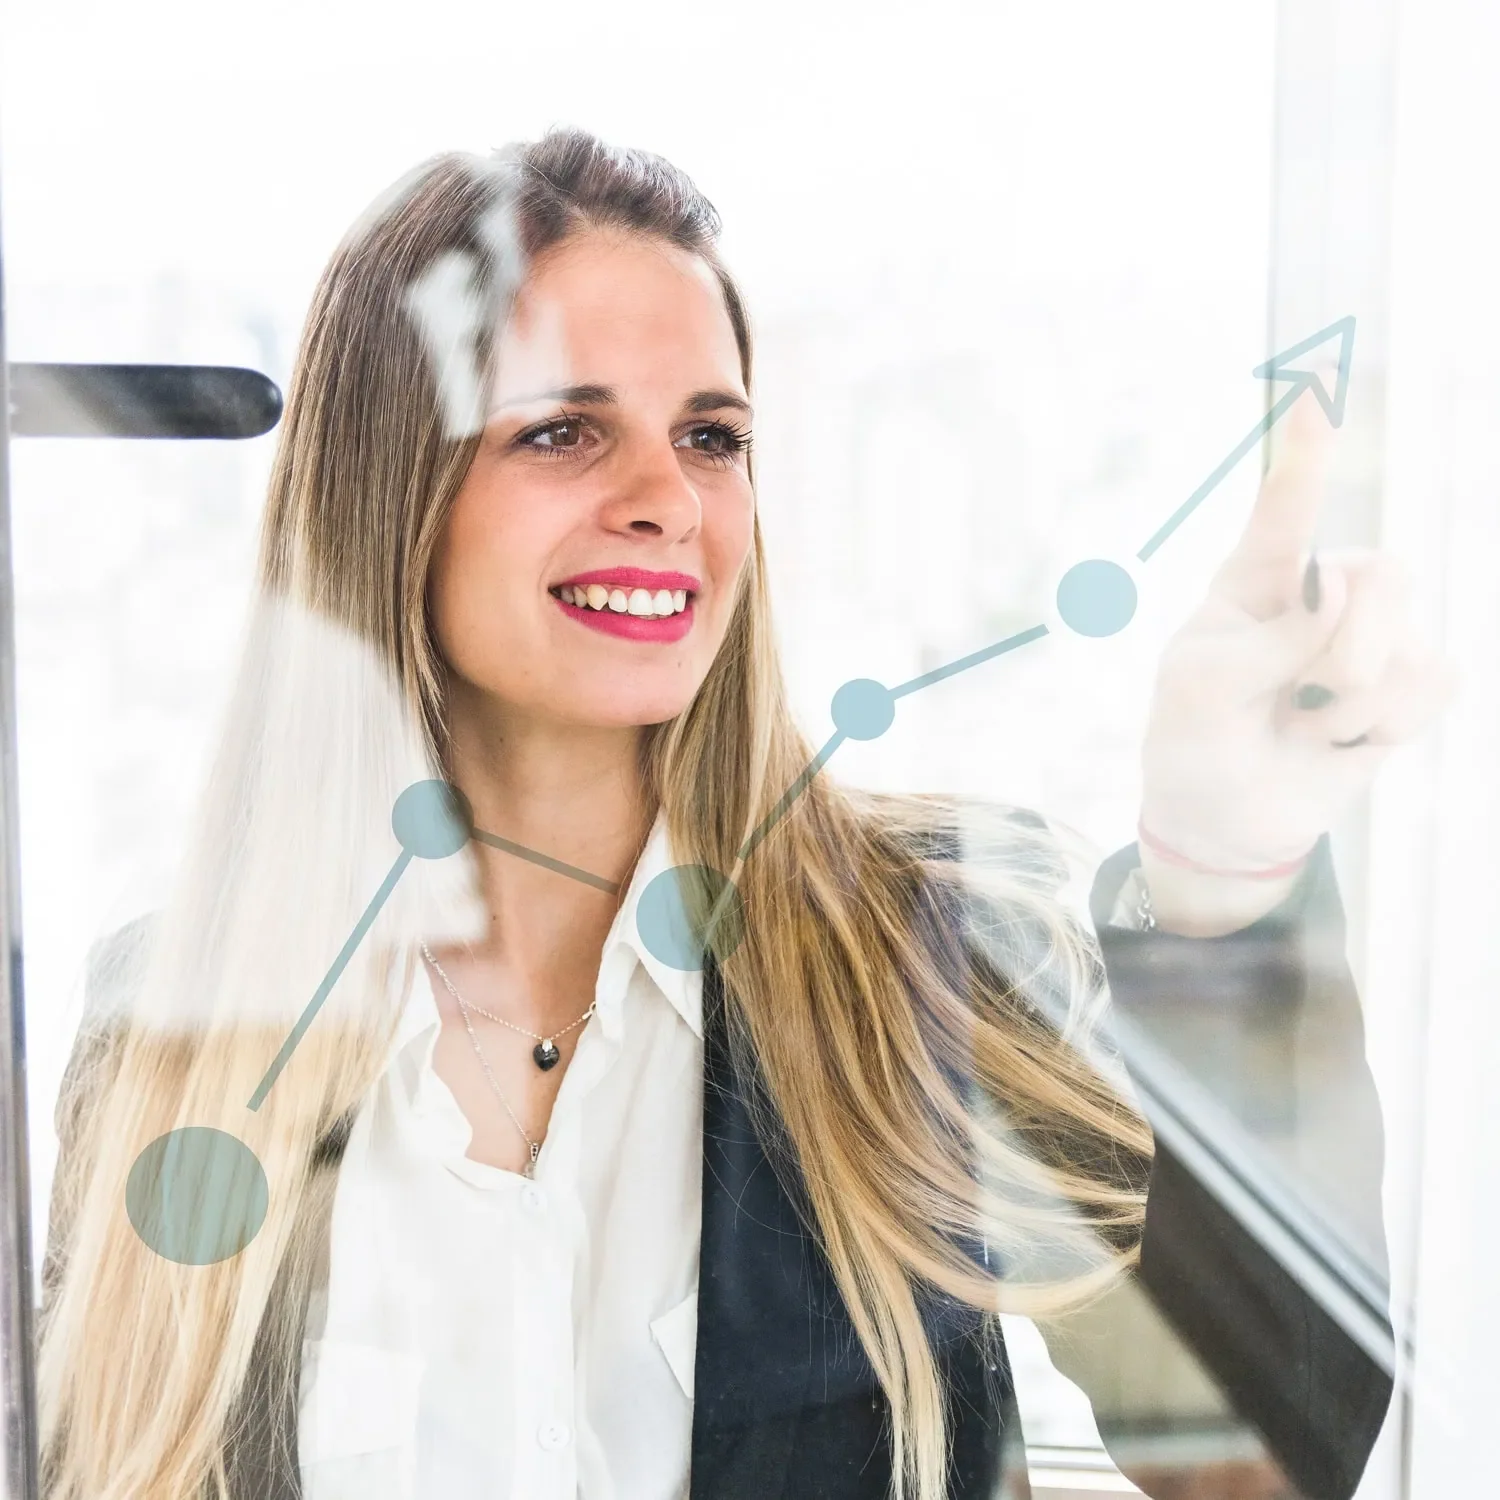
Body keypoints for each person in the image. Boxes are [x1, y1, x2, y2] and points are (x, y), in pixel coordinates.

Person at [36, 129, 1454, 1500]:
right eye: (563, 431)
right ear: (388, 491)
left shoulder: (928, 947)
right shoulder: (179, 1015)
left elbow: (1271, 1453)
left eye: (711, 436)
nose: (667, 499)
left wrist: (1221, 870)